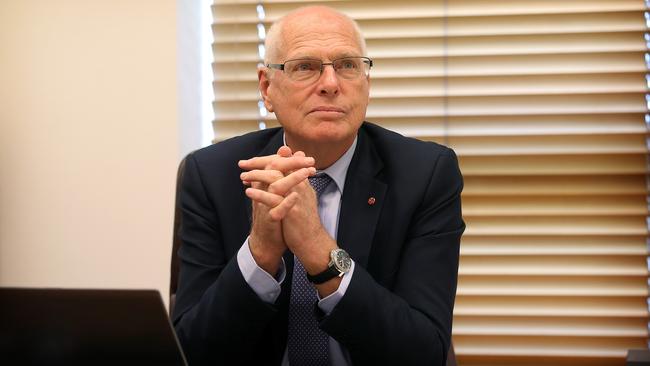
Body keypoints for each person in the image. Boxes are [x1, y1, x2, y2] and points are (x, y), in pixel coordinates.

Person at [172, 5, 464, 366]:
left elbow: (422, 352)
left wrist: (317, 248)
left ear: (366, 85)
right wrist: (260, 254)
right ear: (267, 87)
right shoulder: (213, 175)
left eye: (347, 65)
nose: (330, 84)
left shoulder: (425, 174)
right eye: (305, 67)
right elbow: (191, 351)